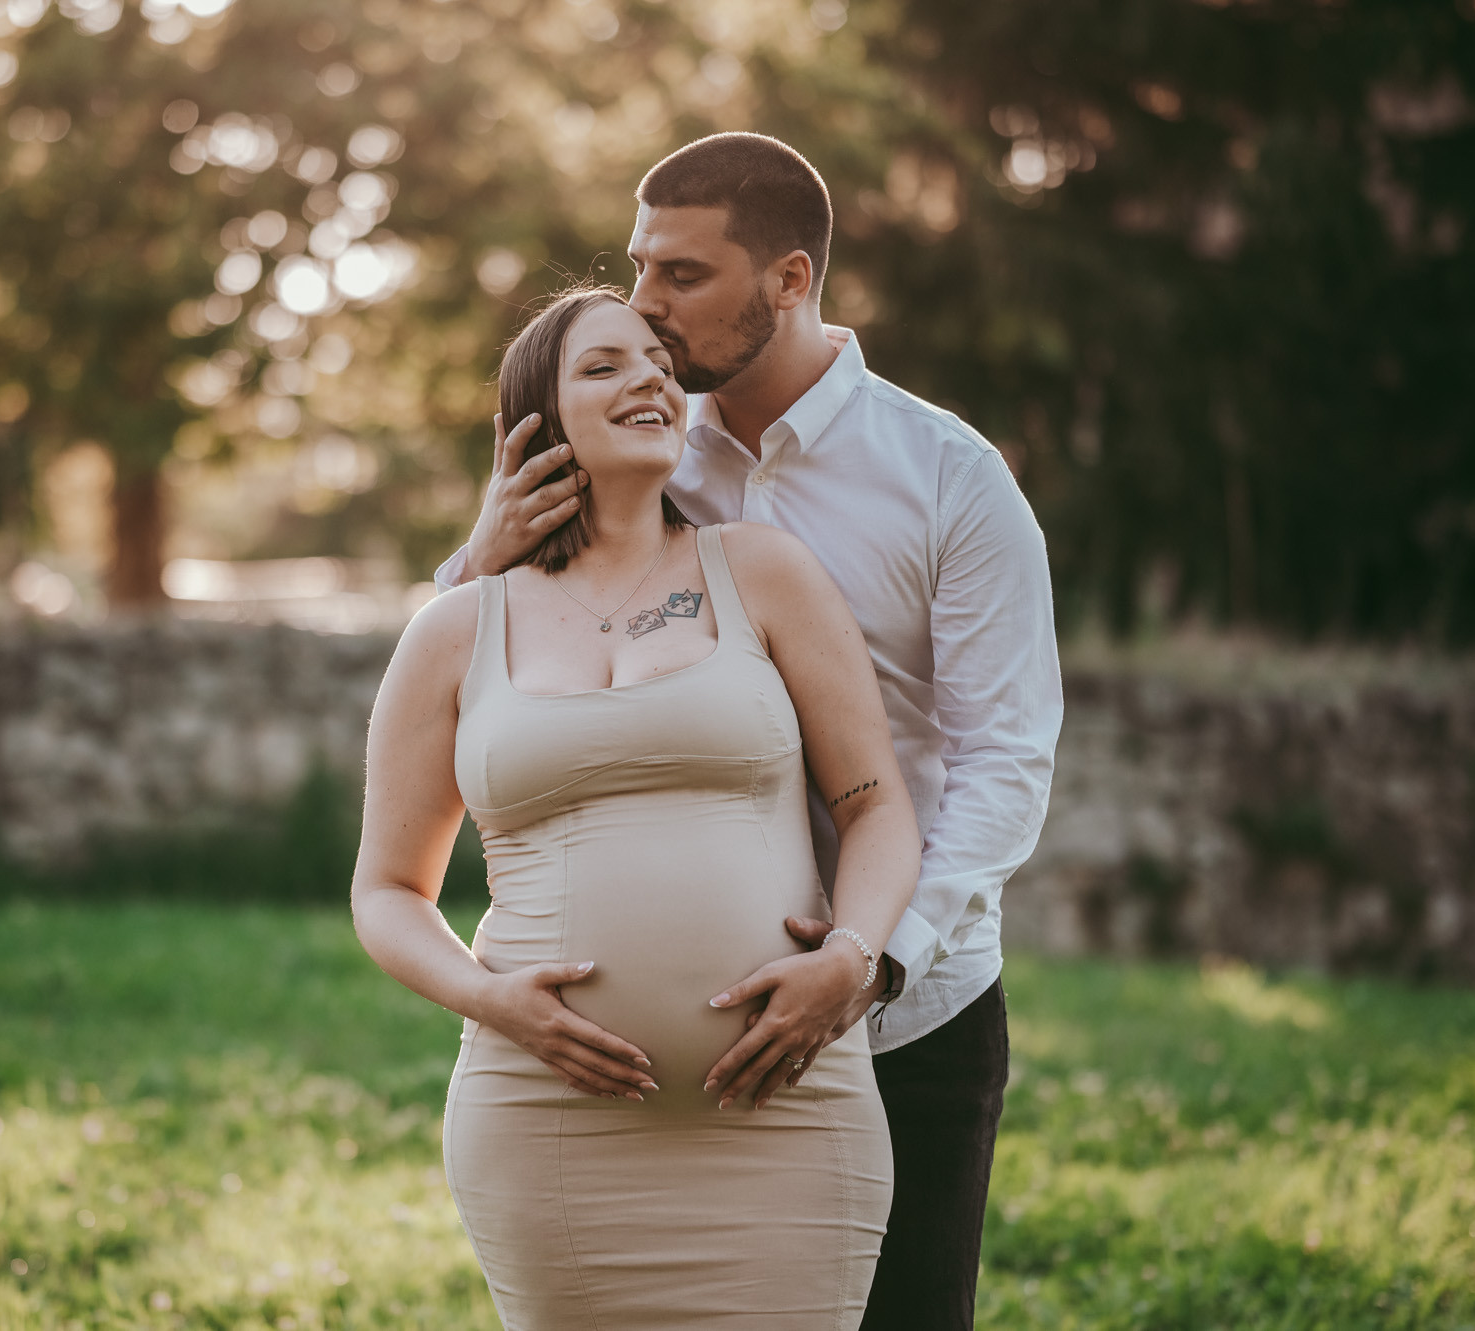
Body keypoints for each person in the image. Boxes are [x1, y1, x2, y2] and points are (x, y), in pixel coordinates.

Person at [434, 134, 1064, 1329]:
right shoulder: (629, 441)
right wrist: (480, 549)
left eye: (680, 276)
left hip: (904, 1019)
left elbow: (1002, 755)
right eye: (635, 269)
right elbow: (469, 679)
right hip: (634, 1062)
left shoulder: (948, 479)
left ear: (787, 280)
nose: (643, 309)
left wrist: (870, 959)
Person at [351, 285, 921, 1328]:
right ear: (529, 423)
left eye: (657, 361)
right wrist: (490, 998)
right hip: (544, 1122)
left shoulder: (761, 572)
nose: (649, 377)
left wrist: (850, 954)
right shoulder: (451, 630)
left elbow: (875, 804)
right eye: (604, 364)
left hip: (782, 1115)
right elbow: (387, 890)